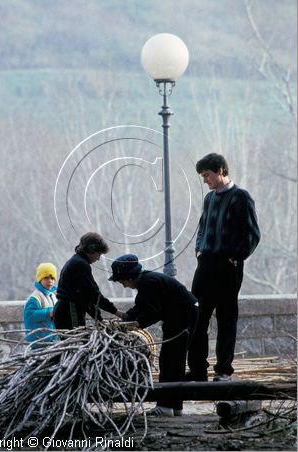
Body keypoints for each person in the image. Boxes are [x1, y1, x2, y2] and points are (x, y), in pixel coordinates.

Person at [186, 153, 261, 382]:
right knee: (197, 316)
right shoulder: (209, 199)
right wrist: (199, 250)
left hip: (228, 267)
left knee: (226, 319)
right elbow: (202, 228)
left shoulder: (241, 197)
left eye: (207, 175)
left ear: (220, 170)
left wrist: (234, 257)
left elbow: (252, 235)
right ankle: (198, 370)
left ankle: (223, 371)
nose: (205, 180)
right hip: (205, 265)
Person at [109, 254, 199, 417]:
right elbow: (141, 307)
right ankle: (175, 406)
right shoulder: (147, 282)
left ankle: (165, 406)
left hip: (182, 316)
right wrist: (126, 318)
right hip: (182, 315)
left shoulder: (148, 283)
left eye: (121, 281)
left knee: (171, 360)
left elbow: (151, 312)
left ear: (129, 277)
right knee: (174, 360)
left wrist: (134, 325)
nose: (122, 285)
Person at [54, 232, 125, 329]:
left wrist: (99, 318)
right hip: (70, 312)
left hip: (67, 312)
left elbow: (86, 296)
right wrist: (116, 312)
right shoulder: (80, 264)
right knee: (77, 343)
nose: (98, 258)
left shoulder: (77, 261)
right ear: (91, 249)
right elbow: (94, 294)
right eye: (98, 254)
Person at [23, 262, 58, 347]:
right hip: (39, 341)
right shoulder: (35, 298)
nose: (50, 280)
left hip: (51, 340)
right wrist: (48, 313)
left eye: (52, 278)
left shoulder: (52, 295)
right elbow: (29, 315)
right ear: (40, 279)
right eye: (46, 277)